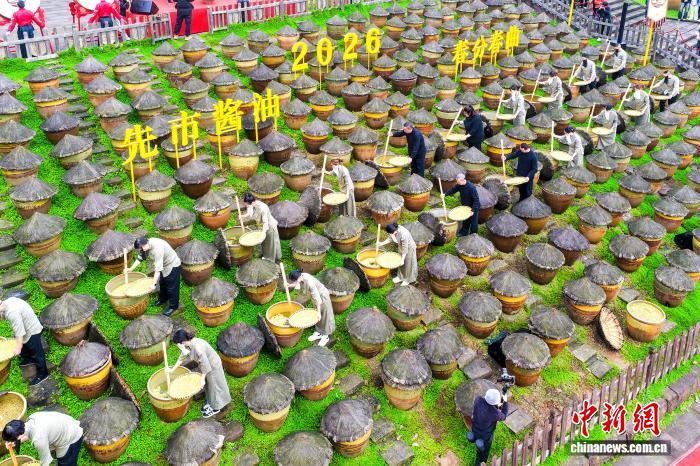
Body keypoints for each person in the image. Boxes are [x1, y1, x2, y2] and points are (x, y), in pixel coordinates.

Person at [167, 330, 231, 418]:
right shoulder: (188, 345)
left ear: (182, 342)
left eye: (177, 344)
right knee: (209, 385)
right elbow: (182, 357)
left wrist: (202, 378)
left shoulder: (198, 347)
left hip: (212, 365)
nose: (177, 346)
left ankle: (216, 407)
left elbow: (205, 364)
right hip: (206, 366)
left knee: (215, 386)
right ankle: (211, 402)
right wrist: (172, 369)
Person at [126, 236, 181, 316]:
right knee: (162, 283)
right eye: (140, 248)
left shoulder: (157, 248)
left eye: (142, 247)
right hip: (163, 265)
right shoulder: (146, 245)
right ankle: (162, 299)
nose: (142, 249)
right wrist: (131, 269)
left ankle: (173, 307)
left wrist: (153, 285)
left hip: (172, 265)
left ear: (146, 242)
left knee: (172, 287)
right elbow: (140, 257)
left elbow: (157, 270)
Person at [3, 411, 83, 466]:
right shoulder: (31, 419)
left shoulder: (38, 439)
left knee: (66, 463)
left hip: (71, 436)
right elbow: (27, 433)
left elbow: (45, 462)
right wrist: (13, 443)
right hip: (67, 423)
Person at [0, 294, 48, 386]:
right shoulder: (7, 302)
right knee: (25, 347)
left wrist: (18, 348)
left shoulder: (11, 313)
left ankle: (43, 374)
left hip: (32, 329)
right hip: (25, 325)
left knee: (37, 353)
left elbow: (20, 333)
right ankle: (29, 359)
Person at [288, 270, 335, 347]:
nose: (295, 282)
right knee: (316, 315)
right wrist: (290, 285)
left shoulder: (310, 282)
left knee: (324, 315)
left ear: (299, 277)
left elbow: (317, 299)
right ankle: (319, 332)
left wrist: (319, 313)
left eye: (295, 280)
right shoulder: (302, 276)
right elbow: (299, 283)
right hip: (315, 297)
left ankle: (325, 336)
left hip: (322, 296)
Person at [468, 388, 508, 466]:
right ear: (496, 402)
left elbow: (492, 405)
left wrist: (502, 396)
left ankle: (475, 441)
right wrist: (505, 401)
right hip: (485, 436)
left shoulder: (478, 400)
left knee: (478, 441)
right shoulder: (495, 414)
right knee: (484, 452)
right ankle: (480, 462)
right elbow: (504, 415)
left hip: (475, 429)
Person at [241, 192, 282, 263]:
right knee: (264, 243)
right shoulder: (251, 205)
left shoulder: (263, 208)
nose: (247, 206)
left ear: (252, 202)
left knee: (270, 244)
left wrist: (263, 234)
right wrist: (243, 216)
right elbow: (249, 212)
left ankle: (270, 260)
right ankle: (266, 255)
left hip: (269, 226)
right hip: (261, 226)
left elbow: (266, 223)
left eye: (247, 205)